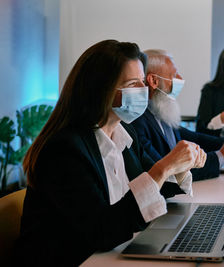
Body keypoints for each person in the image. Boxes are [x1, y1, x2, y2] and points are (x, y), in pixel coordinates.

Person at [11, 40, 207, 266]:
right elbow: (102, 231)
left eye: (143, 82)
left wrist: (180, 168)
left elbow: (153, 185)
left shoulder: (124, 131)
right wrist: (164, 168)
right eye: (133, 83)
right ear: (100, 90)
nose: (144, 91)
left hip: (111, 254)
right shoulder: (64, 149)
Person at [126, 49, 224, 181]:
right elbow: (168, 172)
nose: (180, 79)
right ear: (153, 81)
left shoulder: (159, 111)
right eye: (174, 74)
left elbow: (195, 138)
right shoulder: (137, 121)